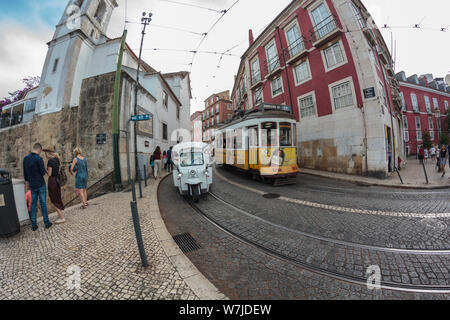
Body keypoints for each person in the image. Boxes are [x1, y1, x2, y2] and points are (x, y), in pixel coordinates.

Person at [23, 143, 52, 231]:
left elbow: (25, 174)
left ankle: (34, 225)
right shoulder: (39, 159)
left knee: (33, 204)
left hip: (32, 185)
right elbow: (43, 172)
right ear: (39, 150)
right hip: (40, 184)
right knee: (43, 203)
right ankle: (46, 223)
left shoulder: (25, 159)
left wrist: (28, 183)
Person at [44, 147, 65, 224]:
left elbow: (49, 174)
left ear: (48, 153)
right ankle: (60, 215)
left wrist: (44, 169)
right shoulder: (57, 159)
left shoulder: (50, 161)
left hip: (52, 181)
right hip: (57, 180)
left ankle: (62, 217)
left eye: (45, 153)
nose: (45, 155)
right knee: (57, 197)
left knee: (54, 199)